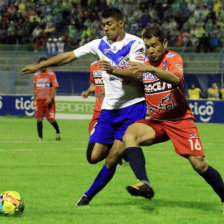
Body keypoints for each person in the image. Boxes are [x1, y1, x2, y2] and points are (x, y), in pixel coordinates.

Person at [79, 26, 224, 212]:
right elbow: (135, 82)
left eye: (154, 45)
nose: (150, 50)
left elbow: (175, 80)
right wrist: (119, 74)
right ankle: (144, 182)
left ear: (164, 44)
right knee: (130, 134)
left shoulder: (173, 58)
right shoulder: (142, 63)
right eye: (147, 46)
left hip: (180, 121)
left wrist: (149, 69)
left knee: (199, 164)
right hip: (157, 121)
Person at [22, 8, 153, 204]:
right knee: (93, 157)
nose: (106, 28)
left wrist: (114, 70)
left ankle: (88, 196)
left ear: (121, 23)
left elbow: (137, 74)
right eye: (104, 25)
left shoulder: (136, 43)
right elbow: (69, 56)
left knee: (112, 158)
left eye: (110, 24)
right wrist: (40, 66)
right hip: (109, 109)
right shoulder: (98, 44)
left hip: (132, 106)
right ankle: (123, 150)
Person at [82, 59, 124, 167]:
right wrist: (87, 91)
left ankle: (117, 159)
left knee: (111, 134)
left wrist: (109, 88)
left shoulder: (114, 61)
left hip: (111, 107)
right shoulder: (93, 65)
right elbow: (94, 84)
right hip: (98, 108)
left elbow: (122, 80)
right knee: (92, 130)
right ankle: (118, 155)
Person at [33, 57, 61, 141]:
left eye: (45, 63)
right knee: (39, 119)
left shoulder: (51, 74)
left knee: (51, 119)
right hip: (39, 100)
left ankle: (58, 132)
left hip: (49, 101)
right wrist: (34, 100)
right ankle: (40, 138)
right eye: (41, 64)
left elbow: (55, 87)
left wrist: (50, 97)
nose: (43, 65)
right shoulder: (36, 75)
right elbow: (35, 88)